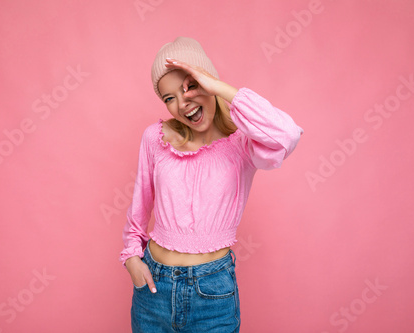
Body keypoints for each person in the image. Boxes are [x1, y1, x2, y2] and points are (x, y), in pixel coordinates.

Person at [119, 36, 304, 332]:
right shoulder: (155, 138)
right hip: (153, 290)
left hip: (213, 293)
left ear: (207, 81)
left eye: (190, 86)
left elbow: (287, 135)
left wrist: (219, 88)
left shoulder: (243, 143)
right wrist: (131, 258)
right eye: (169, 98)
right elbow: (139, 208)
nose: (182, 104)